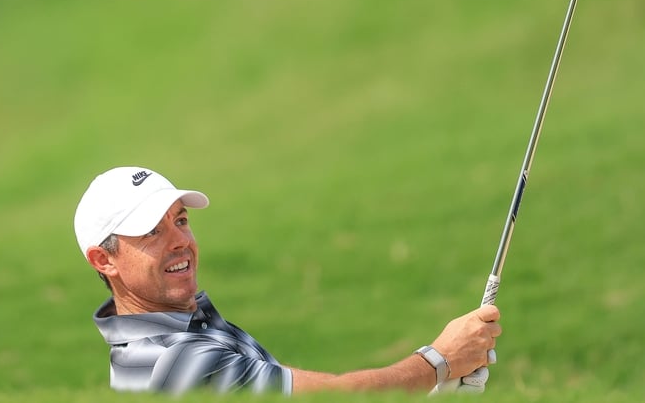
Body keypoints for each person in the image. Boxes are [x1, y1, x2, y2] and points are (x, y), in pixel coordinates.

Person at [74, 166, 502, 395]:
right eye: (152, 232)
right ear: (103, 260)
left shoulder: (175, 330)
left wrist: (440, 388)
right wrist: (439, 360)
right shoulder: (173, 364)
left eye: (180, 221)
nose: (180, 242)